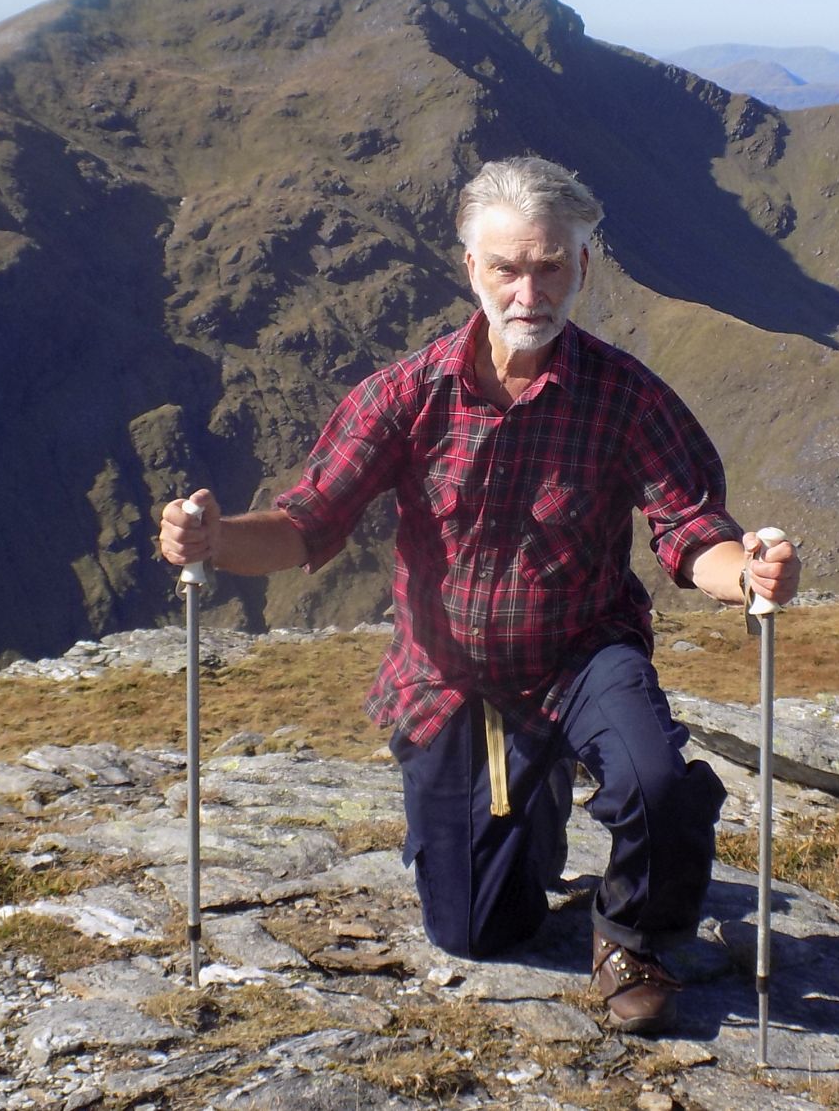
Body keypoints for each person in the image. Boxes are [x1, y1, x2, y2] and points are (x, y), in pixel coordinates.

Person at [159, 156, 800, 1033]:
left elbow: (689, 531)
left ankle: (632, 936)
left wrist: (748, 573)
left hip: (583, 651)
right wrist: (215, 540)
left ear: (583, 266)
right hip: (456, 677)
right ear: (471, 269)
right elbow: (309, 522)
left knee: (656, 781)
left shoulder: (627, 398)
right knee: (475, 932)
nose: (527, 288)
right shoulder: (405, 396)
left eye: (548, 265)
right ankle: (527, 805)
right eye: (506, 266)